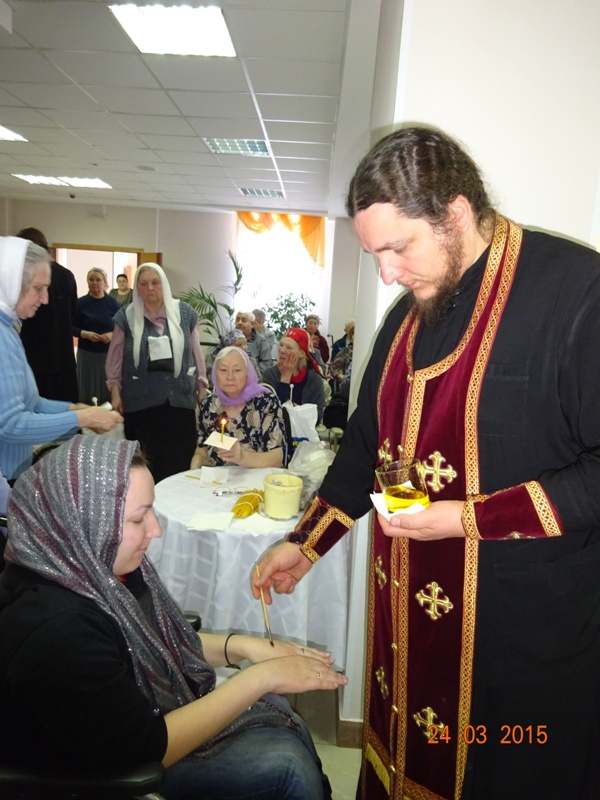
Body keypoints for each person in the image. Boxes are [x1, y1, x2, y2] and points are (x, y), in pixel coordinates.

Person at [253, 125, 600, 800]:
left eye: (398, 248)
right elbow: (369, 442)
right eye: (375, 254)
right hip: (407, 635)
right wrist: (308, 542)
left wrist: (469, 519)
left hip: (522, 649)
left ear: (457, 213)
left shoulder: (576, 293)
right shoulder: (408, 315)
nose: (387, 274)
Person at [0, 435, 347, 799]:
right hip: (103, 772)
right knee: (288, 768)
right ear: (83, 524)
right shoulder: (56, 631)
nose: (156, 529)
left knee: (278, 710)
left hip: (135, 721)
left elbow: (160, 639)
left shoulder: (96, 569)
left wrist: (244, 647)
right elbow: (144, 751)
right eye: (138, 518)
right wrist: (262, 677)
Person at [0, 237, 121, 481]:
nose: (45, 299)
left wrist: (74, 408)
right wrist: (84, 417)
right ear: (11, 282)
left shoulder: (9, 328)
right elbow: (10, 425)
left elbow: (32, 403)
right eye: (38, 288)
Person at [106, 263, 208, 484]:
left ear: (164, 285)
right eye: (143, 283)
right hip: (140, 406)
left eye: (155, 282)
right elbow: (115, 359)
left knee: (179, 467)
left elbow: (196, 354)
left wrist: (202, 386)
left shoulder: (185, 314)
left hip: (178, 405)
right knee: (145, 469)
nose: (150, 288)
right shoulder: (125, 317)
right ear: (137, 287)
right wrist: (115, 393)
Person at [192, 346, 286, 469]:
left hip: (257, 477)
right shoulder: (209, 405)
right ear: (215, 373)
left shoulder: (266, 403)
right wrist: (193, 471)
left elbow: (278, 458)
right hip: (218, 479)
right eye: (223, 370)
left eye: (237, 370)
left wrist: (242, 457)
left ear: (247, 372)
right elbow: (202, 452)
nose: (230, 377)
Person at [16, 227, 79, 402]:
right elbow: (73, 312)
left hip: (35, 358)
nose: (44, 299)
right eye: (38, 289)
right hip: (61, 357)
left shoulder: (27, 275)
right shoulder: (66, 275)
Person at [73, 268, 120, 405]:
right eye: (91, 279)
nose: (94, 282)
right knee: (86, 388)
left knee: (106, 388)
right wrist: (84, 334)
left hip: (108, 354)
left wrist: (112, 335)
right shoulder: (80, 303)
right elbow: (71, 327)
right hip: (86, 354)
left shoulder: (113, 303)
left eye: (98, 280)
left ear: (105, 283)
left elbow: (123, 327)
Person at [261, 328, 325, 424]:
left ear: (301, 353)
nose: (282, 350)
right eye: (281, 345)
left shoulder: (314, 380)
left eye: (289, 348)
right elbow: (268, 412)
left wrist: (299, 412)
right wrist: (285, 379)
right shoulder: (270, 375)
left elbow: (318, 416)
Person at [235, 310, 273, 376]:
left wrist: (253, 376)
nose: (239, 323)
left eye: (243, 320)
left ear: (252, 324)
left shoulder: (262, 341)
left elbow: (266, 364)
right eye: (237, 320)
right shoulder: (228, 339)